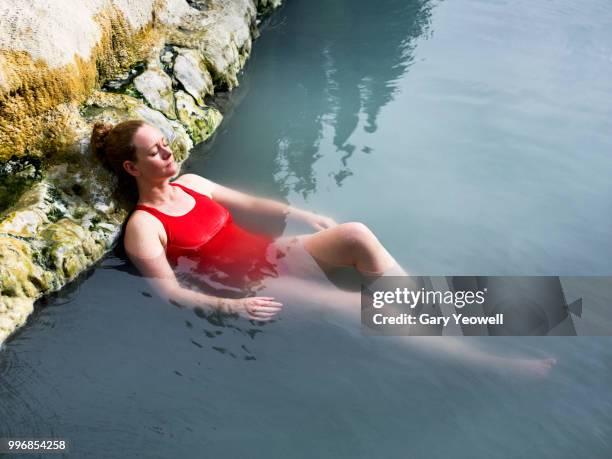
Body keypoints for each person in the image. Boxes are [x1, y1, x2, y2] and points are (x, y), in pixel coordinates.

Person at [91, 120, 557, 377]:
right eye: (155, 151)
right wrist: (231, 307)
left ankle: (427, 311)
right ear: (132, 167)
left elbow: (252, 202)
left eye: (166, 144)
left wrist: (304, 215)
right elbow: (168, 292)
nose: (169, 154)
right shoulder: (144, 227)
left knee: (355, 233)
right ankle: (488, 364)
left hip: (276, 253)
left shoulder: (193, 184)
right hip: (258, 283)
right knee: (360, 305)